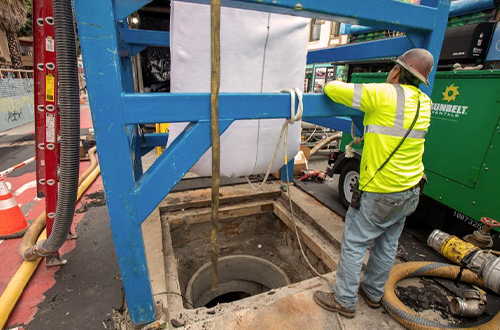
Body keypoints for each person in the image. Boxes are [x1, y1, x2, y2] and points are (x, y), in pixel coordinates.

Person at [313, 48, 435, 318]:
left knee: (355, 242)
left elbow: (333, 88)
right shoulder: (425, 103)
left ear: (397, 71)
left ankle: (343, 300)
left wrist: (386, 85)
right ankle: (372, 293)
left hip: (380, 190)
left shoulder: (382, 94)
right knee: (387, 244)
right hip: (410, 190)